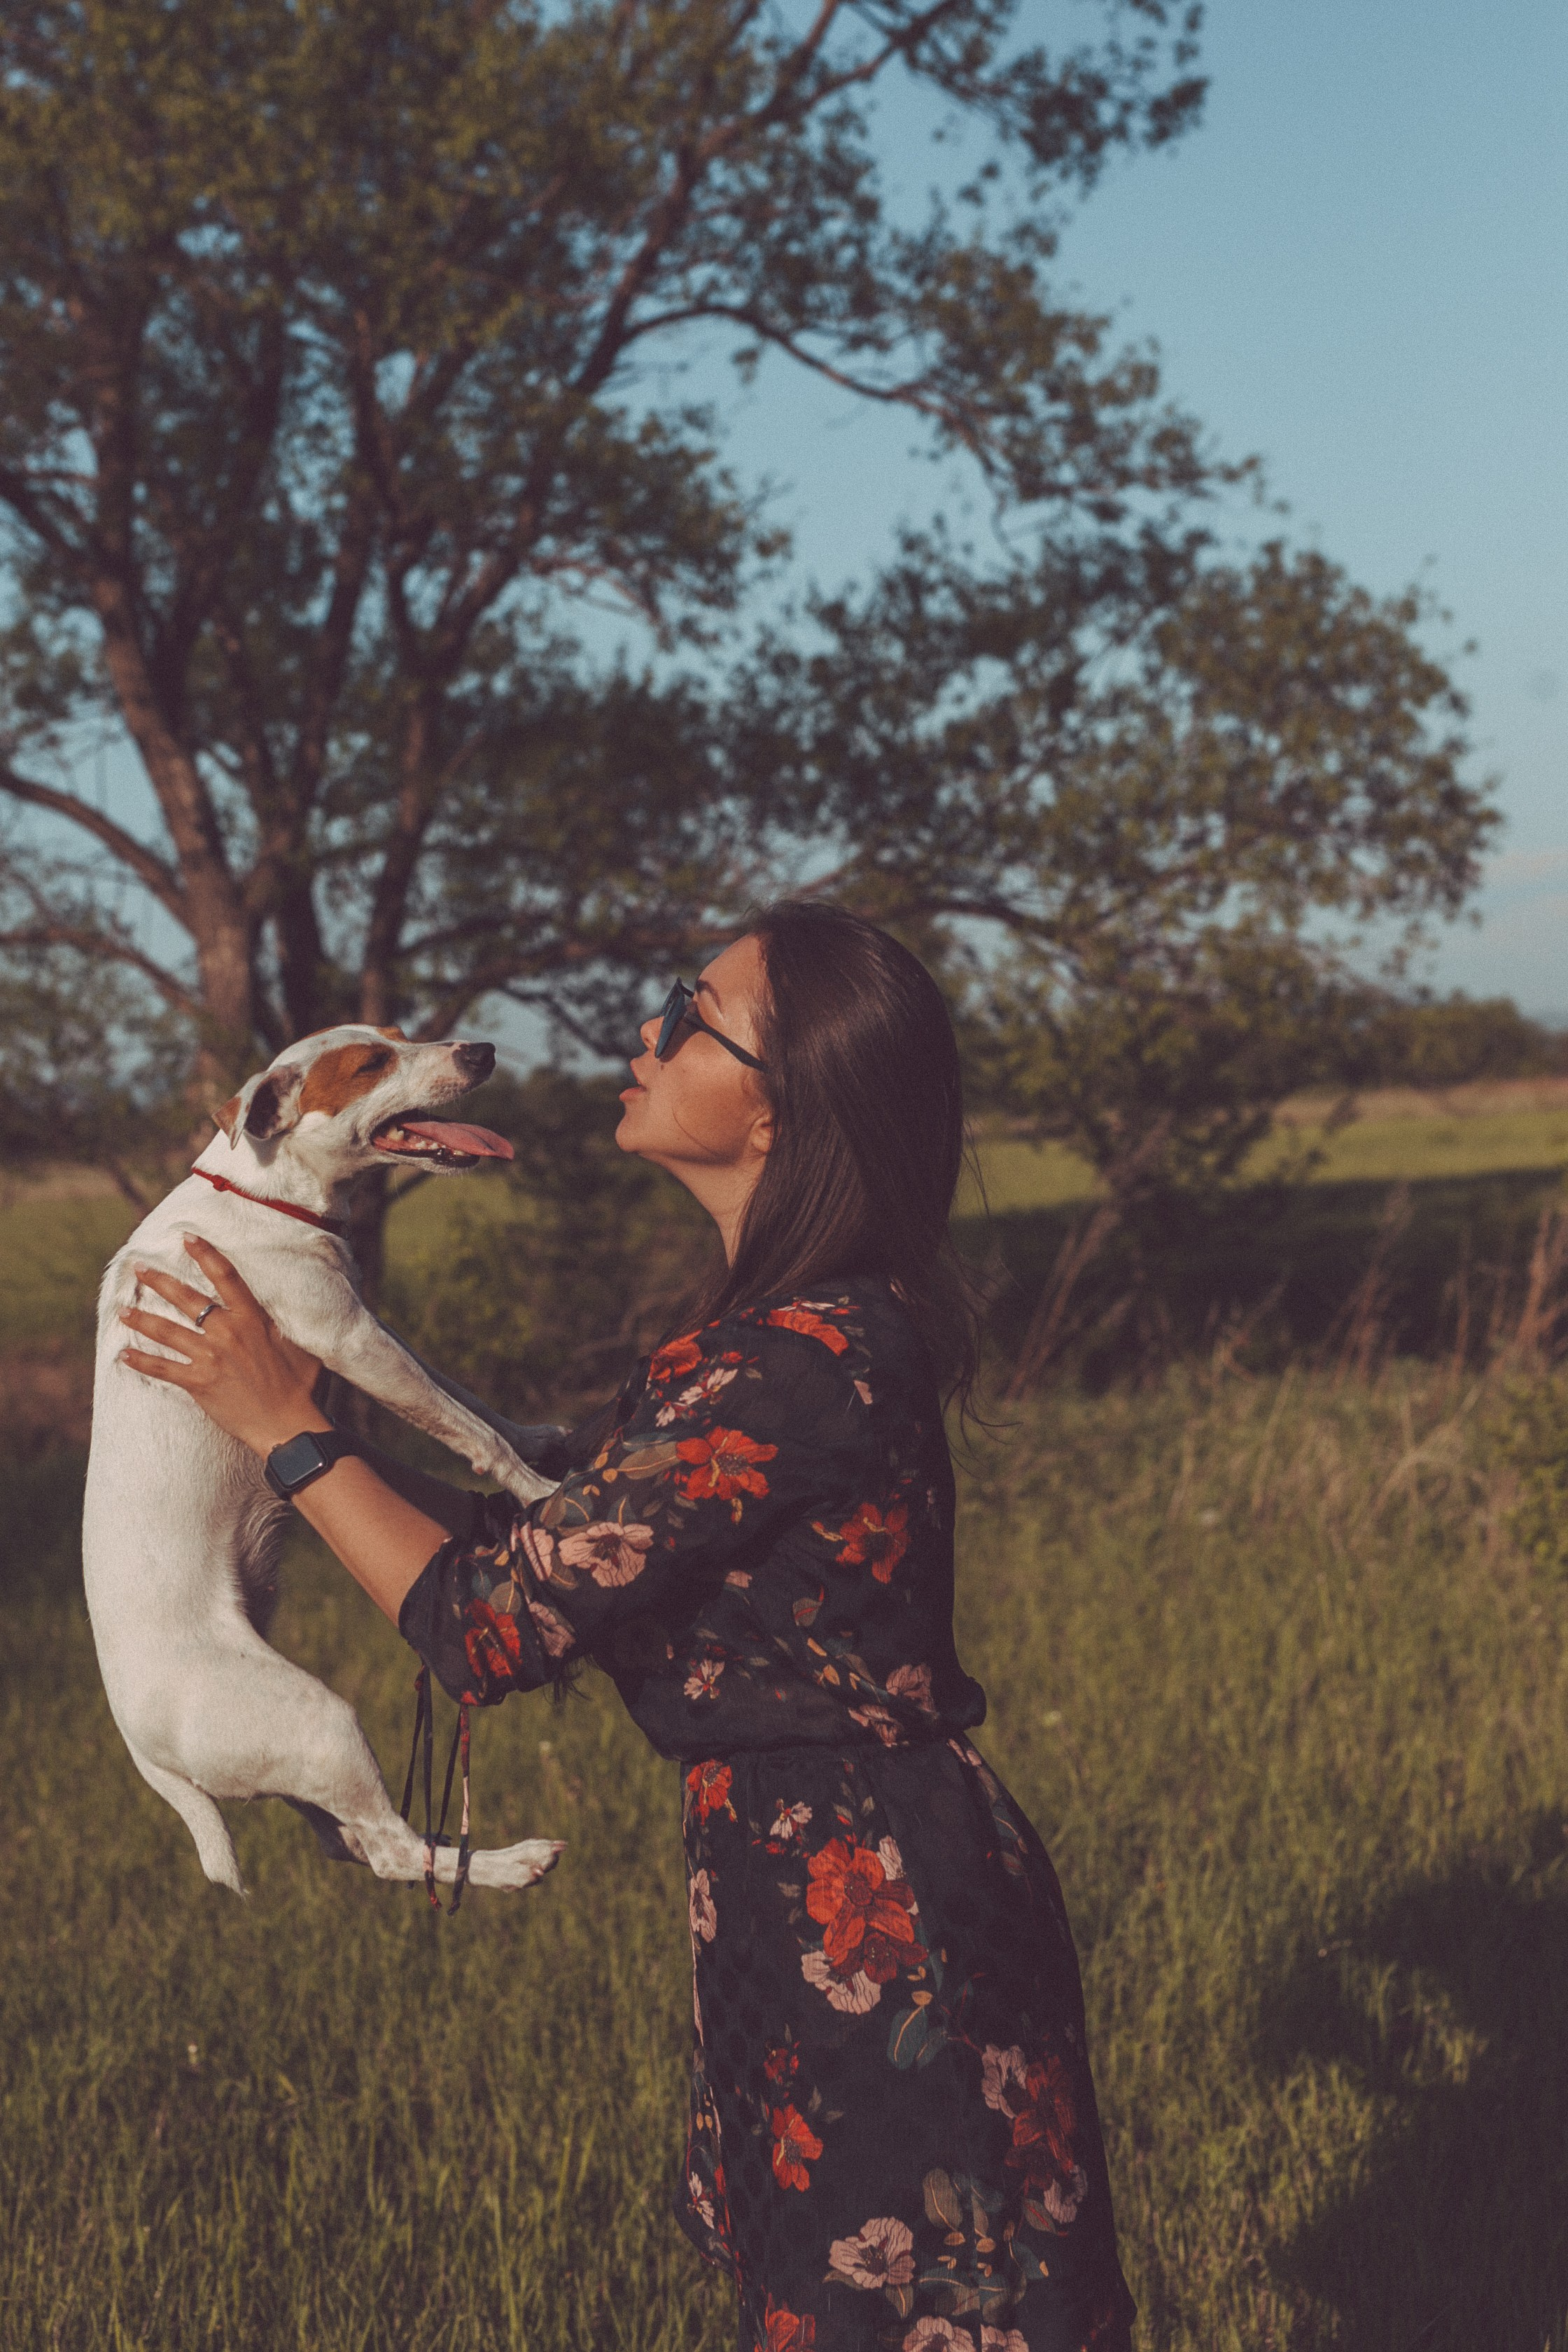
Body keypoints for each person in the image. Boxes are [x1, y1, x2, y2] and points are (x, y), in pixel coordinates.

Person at [120, 901, 1137, 2352]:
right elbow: (548, 1551)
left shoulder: (797, 1364)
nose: (642, 1031)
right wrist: (273, 1430)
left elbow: (490, 1627)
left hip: (878, 1908)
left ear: (782, 1110)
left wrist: (290, 1431)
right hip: (796, 1881)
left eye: (688, 1011)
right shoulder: (753, 1342)